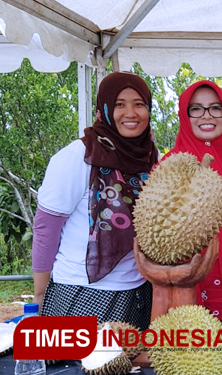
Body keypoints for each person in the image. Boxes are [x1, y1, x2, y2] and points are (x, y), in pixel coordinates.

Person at [32, 72, 158, 330]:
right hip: (80, 293)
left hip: (139, 292)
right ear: (104, 108)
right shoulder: (79, 155)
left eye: (139, 104)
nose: (130, 113)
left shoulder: (150, 157)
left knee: (129, 368)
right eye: (119, 104)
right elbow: (46, 228)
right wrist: (40, 295)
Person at [162, 80, 222, 334]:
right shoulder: (171, 166)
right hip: (188, 286)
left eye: (215, 108)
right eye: (196, 109)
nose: (206, 116)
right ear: (185, 115)